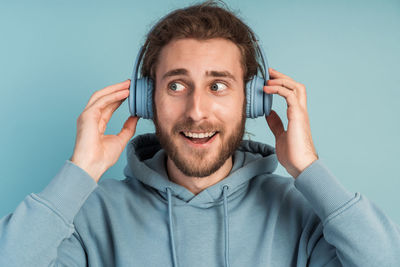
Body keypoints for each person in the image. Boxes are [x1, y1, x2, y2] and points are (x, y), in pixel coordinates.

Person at [1, 1, 399, 266]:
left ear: (253, 100)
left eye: (218, 85)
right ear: (145, 99)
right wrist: (80, 171)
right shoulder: (89, 216)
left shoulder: (303, 215)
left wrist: (309, 169)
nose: (196, 111)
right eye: (176, 85)